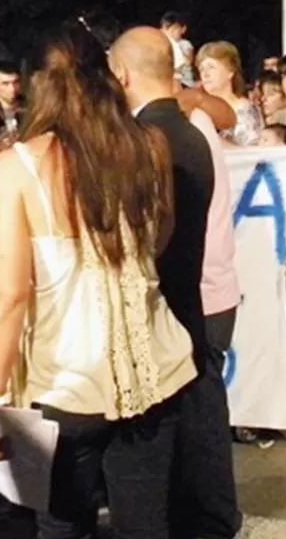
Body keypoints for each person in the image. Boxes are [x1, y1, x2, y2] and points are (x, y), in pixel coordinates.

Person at [0, 23, 197, 539]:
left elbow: (8, 295)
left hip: (63, 383)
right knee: (146, 527)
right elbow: (157, 245)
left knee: (63, 526)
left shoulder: (17, 167)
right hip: (152, 373)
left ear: (36, 84)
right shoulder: (151, 147)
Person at [108, 27, 242, 539]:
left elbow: (157, 243)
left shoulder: (155, 138)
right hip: (209, 295)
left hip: (185, 303)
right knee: (202, 419)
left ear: (121, 73)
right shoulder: (195, 125)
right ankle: (212, 518)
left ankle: (207, 521)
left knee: (190, 427)